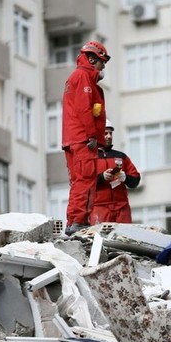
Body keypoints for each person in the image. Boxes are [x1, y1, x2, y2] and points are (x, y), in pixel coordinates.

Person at [62, 41, 110, 235]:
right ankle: (79, 221)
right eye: (101, 62)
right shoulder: (83, 77)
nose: (103, 67)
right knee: (86, 181)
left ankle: (72, 222)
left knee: (78, 182)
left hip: (74, 139)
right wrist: (92, 136)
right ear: (91, 59)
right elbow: (84, 109)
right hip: (83, 139)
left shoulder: (78, 78)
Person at [90, 119, 141, 224]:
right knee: (101, 239)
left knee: (125, 239)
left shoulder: (121, 156)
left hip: (122, 208)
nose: (109, 136)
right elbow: (83, 182)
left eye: (110, 133)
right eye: (105, 133)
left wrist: (125, 177)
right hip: (99, 208)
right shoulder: (89, 158)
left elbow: (136, 180)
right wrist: (101, 177)